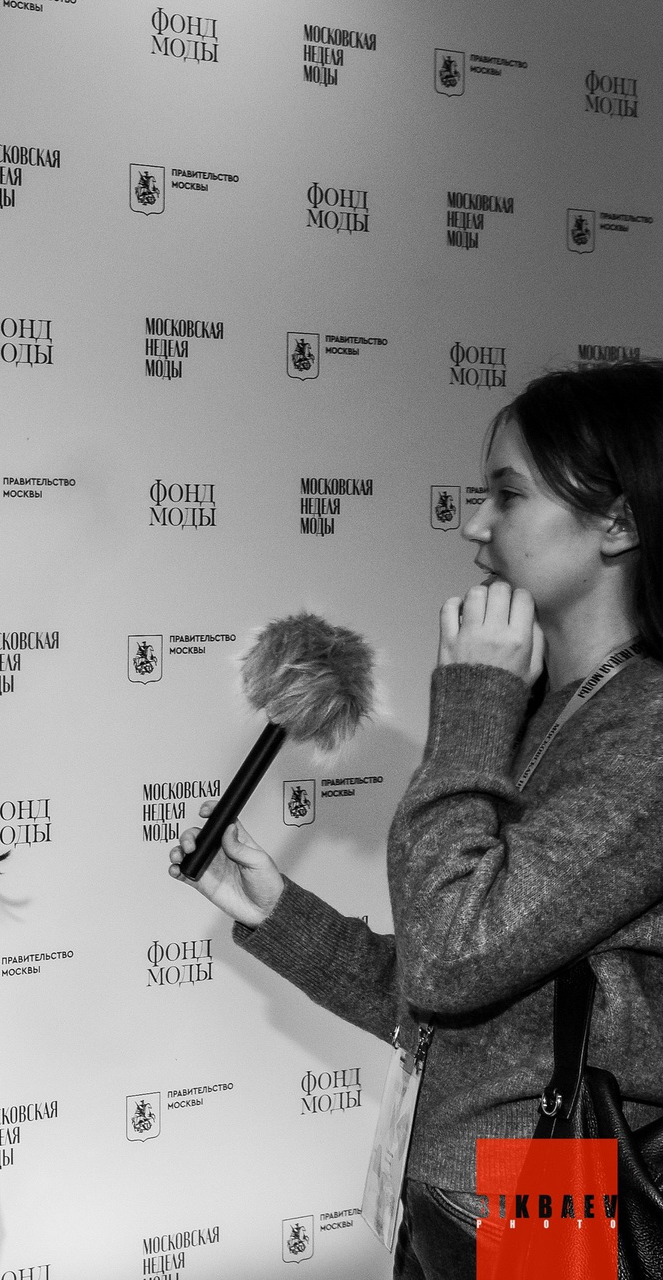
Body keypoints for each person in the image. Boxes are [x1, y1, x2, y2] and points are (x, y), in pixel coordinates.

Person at [169, 361, 663, 1280]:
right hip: (451, 1203)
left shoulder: (647, 730)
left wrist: (473, 695)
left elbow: (452, 959)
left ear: (620, 522)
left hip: (545, 1210)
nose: (475, 525)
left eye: (508, 496)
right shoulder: (548, 708)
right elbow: (456, 997)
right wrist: (283, 917)